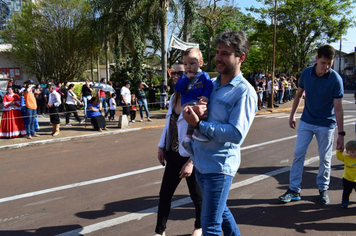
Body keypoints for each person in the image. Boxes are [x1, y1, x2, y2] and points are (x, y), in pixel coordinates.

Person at [182, 31, 257, 236]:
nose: (218, 58)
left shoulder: (244, 92)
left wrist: (199, 125)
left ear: (240, 57)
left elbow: (236, 134)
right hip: (201, 163)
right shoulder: (211, 85)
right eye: (217, 52)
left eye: (225, 53)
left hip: (219, 167)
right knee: (221, 213)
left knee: (210, 226)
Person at [278, 45, 344, 205]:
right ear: (316, 59)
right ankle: (294, 189)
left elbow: (338, 109)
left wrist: (341, 134)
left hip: (326, 124)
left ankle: (323, 189)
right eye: (323, 63)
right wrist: (292, 114)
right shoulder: (306, 73)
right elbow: (299, 95)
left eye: (330, 63)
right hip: (307, 121)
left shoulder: (335, 79)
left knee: (325, 159)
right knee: (298, 154)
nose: (327, 66)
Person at [154, 62, 203, 236]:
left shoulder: (197, 101)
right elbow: (169, 125)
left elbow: (199, 133)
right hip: (173, 154)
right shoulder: (174, 98)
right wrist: (161, 146)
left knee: (197, 196)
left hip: (190, 156)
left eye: (179, 73)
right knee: (165, 194)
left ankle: (199, 226)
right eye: (173, 73)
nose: (175, 76)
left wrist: (191, 162)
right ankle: (160, 231)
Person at [174, 47, 213, 156]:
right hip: (188, 101)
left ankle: (189, 138)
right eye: (185, 64)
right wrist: (186, 78)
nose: (188, 67)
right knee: (197, 111)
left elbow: (209, 86)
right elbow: (178, 88)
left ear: (200, 63)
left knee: (205, 112)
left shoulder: (204, 75)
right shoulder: (183, 77)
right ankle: (192, 135)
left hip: (199, 100)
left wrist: (205, 97)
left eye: (191, 63)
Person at [336, 140, 356, 208]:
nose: (355, 154)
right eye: (352, 152)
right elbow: (339, 157)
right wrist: (339, 150)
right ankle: (345, 201)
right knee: (347, 192)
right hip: (347, 179)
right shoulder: (346, 158)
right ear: (347, 151)